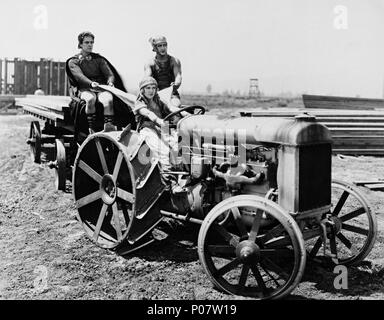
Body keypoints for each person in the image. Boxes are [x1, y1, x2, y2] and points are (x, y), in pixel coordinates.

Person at [134, 76, 182, 191]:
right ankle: (170, 183)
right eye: (148, 88)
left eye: (153, 88)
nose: (151, 91)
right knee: (164, 152)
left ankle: (183, 178)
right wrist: (159, 120)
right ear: (142, 90)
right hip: (148, 130)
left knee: (178, 146)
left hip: (162, 128)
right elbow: (149, 114)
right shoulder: (139, 103)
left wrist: (185, 113)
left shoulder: (158, 101)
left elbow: (171, 108)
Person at [67, 31, 117, 133]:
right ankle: (91, 128)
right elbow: (79, 76)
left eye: (91, 42)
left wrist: (110, 82)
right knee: (90, 99)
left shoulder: (98, 59)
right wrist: (90, 83)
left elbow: (109, 74)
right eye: (87, 42)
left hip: (100, 88)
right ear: (80, 44)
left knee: (109, 100)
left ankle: (109, 127)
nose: (90, 45)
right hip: (84, 88)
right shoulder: (73, 61)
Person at [144, 36, 182, 109]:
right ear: (155, 48)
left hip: (172, 95)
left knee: (174, 106)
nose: (163, 48)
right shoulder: (150, 63)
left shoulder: (174, 61)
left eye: (164, 45)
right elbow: (147, 79)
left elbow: (178, 76)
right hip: (155, 96)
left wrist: (176, 83)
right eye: (160, 46)